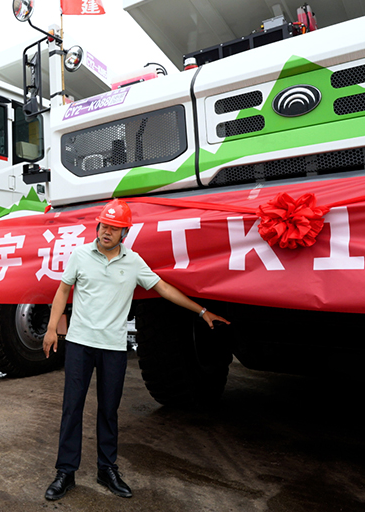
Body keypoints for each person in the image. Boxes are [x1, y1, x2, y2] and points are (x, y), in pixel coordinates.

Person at [41, 199, 230, 501]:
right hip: (79, 344)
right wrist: (52, 329)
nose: (107, 232)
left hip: (113, 348)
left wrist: (202, 311)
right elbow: (63, 289)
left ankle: (107, 469)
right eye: (104, 225)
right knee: (71, 408)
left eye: (114, 229)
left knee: (108, 411)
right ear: (97, 226)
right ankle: (65, 472)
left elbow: (163, 288)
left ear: (124, 233)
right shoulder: (79, 255)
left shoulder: (134, 262)